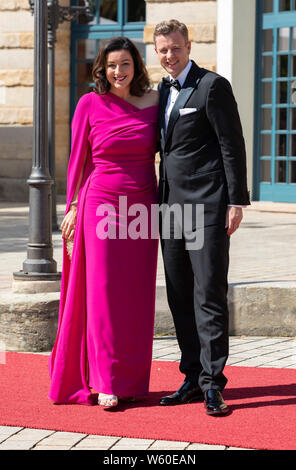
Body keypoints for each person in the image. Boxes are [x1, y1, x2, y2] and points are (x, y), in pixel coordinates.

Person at [48, 37, 159, 408]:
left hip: (143, 206)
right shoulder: (89, 104)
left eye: (125, 64)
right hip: (101, 204)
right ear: (102, 68)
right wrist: (74, 206)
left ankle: (131, 379)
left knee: (136, 296)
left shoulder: (155, 102)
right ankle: (105, 380)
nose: (118, 71)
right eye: (112, 65)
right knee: (103, 292)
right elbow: (78, 160)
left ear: (136, 66)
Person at [154, 20, 250, 415]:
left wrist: (236, 201)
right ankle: (191, 377)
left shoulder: (213, 86)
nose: (169, 56)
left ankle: (214, 384)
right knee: (178, 297)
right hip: (170, 209)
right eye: (162, 50)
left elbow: (232, 144)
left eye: (175, 48)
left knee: (208, 295)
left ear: (188, 46)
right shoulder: (160, 91)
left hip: (207, 207)